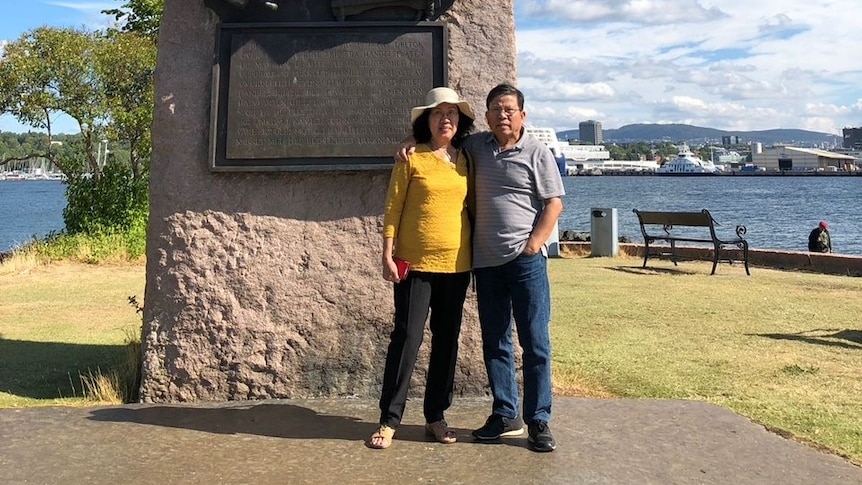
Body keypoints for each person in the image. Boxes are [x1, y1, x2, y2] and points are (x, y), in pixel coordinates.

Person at [397, 83, 565, 452]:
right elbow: (442, 140)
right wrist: (413, 136)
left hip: (525, 263)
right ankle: (506, 415)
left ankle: (539, 420)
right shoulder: (475, 148)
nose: (502, 115)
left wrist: (533, 245)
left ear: (522, 114)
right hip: (485, 264)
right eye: (495, 109)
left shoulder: (537, 153)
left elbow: (554, 203)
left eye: (509, 109)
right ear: (486, 116)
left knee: (535, 342)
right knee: (495, 343)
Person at [369, 87, 475, 450]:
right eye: (437, 113)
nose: (446, 119)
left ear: (460, 122)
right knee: (407, 339)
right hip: (414, 264)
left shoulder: (467, 158)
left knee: (447, 342)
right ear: (425, 120)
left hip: (457, 265)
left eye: (452, 114)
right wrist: (386, 252)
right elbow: (393, 207)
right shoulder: (411, 157)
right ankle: (389, 419)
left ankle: (435, 416)